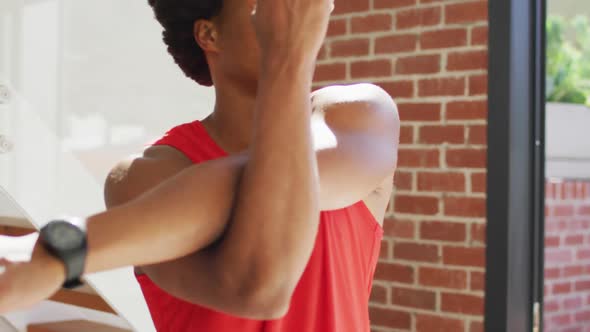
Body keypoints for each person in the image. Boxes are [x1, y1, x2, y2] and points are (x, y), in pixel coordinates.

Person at [0, 0, 400, 331]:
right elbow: (259, 286)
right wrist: (287, 54)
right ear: (209, 35)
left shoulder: (360, 113)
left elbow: (277, 181)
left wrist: (58, 252)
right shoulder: (143, 176)